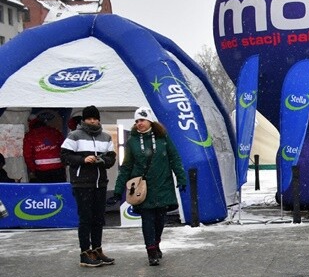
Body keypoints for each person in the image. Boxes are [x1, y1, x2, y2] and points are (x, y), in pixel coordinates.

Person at [113, 107, 187, 267]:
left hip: (163, 185)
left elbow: (174, 158)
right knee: (147, 219)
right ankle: (151, 250)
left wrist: (181, 178)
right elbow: (126, 167)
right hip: (143, 189)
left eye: (142, 120)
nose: (139, 123)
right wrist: (118, 190)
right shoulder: (132, 141)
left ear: (150, 121)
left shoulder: (163, 138)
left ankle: (156, 242)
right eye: (137, 121)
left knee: (160, 220)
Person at [60, 105, 116, 267]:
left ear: (99, 120)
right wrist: (83, 160)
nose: (92, 121)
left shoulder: (106, 137)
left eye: (95, 118)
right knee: (86, 218)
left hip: (100, 183)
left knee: (98, 218)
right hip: (82, 183)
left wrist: (102, 160)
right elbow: (64, 156)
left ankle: (97, 249)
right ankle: (85, 252)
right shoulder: (74, 136)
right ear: (84, 120)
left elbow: (111, 158)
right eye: (89, 118)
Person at [24, 111, 66, 183]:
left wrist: (33, 169)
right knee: (58, 188)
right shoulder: (55, 132)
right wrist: (63, 164)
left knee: (44, 189)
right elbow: (64, 148)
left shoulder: (30, 136)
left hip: (41, 170)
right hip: (58, 168)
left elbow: (27, 155)